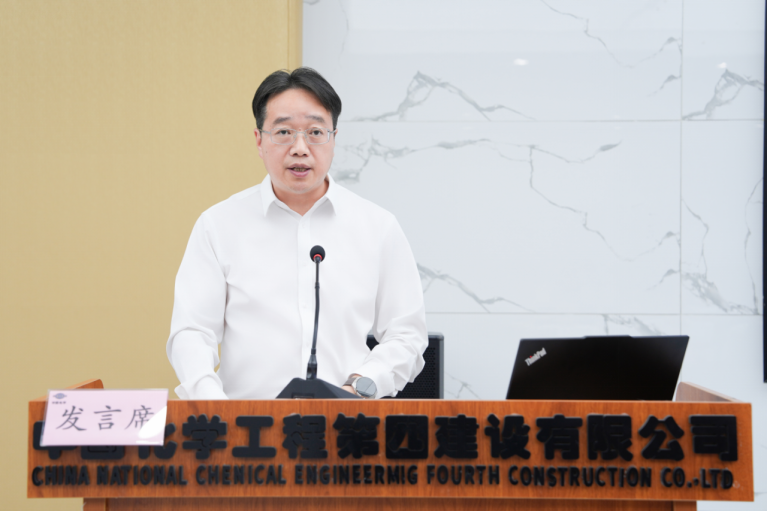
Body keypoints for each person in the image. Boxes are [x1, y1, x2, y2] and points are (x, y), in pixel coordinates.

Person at [166, 67, 427, 400]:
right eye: (284, 132)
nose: (300, 148)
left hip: (346, 423)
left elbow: (406, 335)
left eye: (316, 132)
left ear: (334, 139)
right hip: (245, 426)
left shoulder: (377, 227)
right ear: (259, 140)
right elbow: (192, 332)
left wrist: (359, 387)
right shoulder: (218, 225)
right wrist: (214, 407)